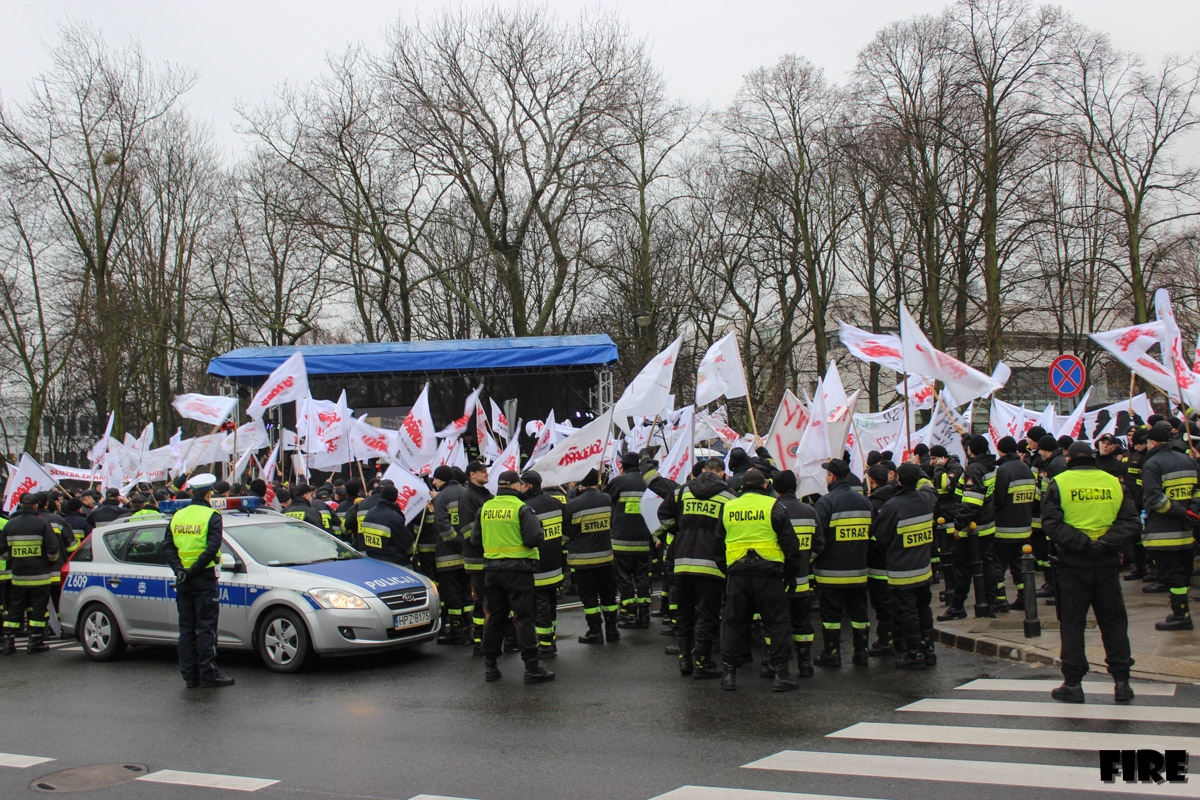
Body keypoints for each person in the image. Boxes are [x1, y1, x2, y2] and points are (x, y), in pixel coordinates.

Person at [1041, 441, 1141, 703]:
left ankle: (1073, 684)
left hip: (1074, 564)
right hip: (1107, 563)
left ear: (1068, 458)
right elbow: (1131, 522)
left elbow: (1052, 525)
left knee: (1073, 624)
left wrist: (1084, 545)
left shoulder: (1060, 483)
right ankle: (1122, 682)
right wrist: (1104, 545)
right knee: (1114, 622)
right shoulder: (1113, 483)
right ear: (1093, 458)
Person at [714, 468, 800, 692]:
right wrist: (790, 577)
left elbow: (717, 546)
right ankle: (781, 675)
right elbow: (791, 547)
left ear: (742, 487)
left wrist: (728, 571)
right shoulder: (774, 506)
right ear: (764, 486)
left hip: (738, 574)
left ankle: (728, 675)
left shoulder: (729, 507)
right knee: (777, 624)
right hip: (769, 575)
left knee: (733, 624)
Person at [468, 470, 551, 684]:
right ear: (516, 486)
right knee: (524, 618)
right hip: (519, 571)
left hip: (492, 572)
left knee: (494, 617)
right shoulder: (521, 508)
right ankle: (532, 669)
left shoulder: (485, 508)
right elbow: (534, 538)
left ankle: (490, 667)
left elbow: (475, 539)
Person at [656, 457, 735, 678]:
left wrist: (680, 532)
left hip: (682, 562)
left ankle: (684, 660)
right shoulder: (729, 496)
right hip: (712, 564)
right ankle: (702, 661)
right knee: (707, 615)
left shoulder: (683, 492)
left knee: (684, 614)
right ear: (723, 473)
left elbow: (663, 515)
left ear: (702, 471)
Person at [162, 474, 234, 688]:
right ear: (209, 493)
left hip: (183, 579)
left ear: (192, 492)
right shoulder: (212, 515)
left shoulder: (178, 515)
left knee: (186, 629)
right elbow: (212, 548)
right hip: (203, 578)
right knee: (206, 628)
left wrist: (180, 570)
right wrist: (193, 570)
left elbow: (167, 546)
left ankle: (189, 676)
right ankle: (208, 673)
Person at [871, 464, 938, 669]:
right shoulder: (926, 500)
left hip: (902, 570)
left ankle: (914, 652)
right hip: (923, 568)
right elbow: (931, 489)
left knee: (907, 612)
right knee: (923, 608)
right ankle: (928, 649)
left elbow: (880, 536)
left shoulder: (893, 506)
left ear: (898, 479)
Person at [812, 459, 873, 667]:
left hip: (831, 571)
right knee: (859, 612)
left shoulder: (826, 502)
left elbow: (818, 537)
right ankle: (861, 652)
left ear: (832, 477)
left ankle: (832, 652)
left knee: (831, 614)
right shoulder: (864, 501)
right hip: (858, 569)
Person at [1140, 424, 1200, 630]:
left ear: (1152, 443)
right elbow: (1198, 491)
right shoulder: (1189, 461)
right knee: (1183, 574)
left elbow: (1156, 499)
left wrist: (1181, 511)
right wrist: (1191, 511)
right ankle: (1181, 613)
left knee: (1173, 577)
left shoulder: (1152, 464)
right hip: (1187, 531)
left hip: (1163, 532)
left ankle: (1180, 614)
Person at [773, 469, 822, 678]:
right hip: (802, 581)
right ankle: (805, 664)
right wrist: (804, 560)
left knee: (776, 623)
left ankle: (774, 663)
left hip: (777, 581)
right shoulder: (810, 511)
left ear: (775, 489)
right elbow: (819, 544)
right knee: (802, 623)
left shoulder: (773, 510)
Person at [563, 469, 620, 644]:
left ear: (582, 485)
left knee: (589, 599)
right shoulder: (606, 499)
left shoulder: (572, 505)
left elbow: (566, 533)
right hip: (605, 558)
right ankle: (612, 631)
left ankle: (595, 632)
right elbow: (611, 523)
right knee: (609, 598)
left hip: (583, 560)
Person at [944, 436, 998, 618]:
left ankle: (957, 607)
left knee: (963, 568)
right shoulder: (989, 466)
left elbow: (971, 503)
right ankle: (989, 603)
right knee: (987, 565)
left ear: (971, 451)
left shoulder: (974, 469)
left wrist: (959, 525)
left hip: (973, 528)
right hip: (987, 524)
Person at [1, 493, 60, 655]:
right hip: (39, 575)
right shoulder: (42, 523)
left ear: (20, 505)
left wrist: (13, 560)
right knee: (38, 608)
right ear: (36, 506)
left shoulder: (10, 524)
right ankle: (35, 641)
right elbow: (53, 549)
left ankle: (8, 642)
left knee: (15, 607)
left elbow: (2, 549)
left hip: (18, 576)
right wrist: (49, 562)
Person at [519, 470, 566, 659]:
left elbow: (527, 538)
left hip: (538, 567)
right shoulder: (555, 502)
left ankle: (545, 646)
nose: (519, 488)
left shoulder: (526, 507)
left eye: (521, 485)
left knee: (540, 608)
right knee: (551, 604)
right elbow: (566, 529)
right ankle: (551, 640)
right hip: (555, 564)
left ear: (529, 486)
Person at [606, 452, 653, 628]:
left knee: (624, 579)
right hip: (643, 540)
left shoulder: (618, 482)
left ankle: (628, 614)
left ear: (623, 467)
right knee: (642, 578)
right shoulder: (647, 482)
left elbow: (606, 501)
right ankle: (644, 614)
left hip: (621, 542)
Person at [992, 436, 1035, 611]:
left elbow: (999, 500)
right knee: (1020, 567)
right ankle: (1025, 598)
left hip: (1005, 528)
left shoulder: (1003, 470)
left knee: (998, 566)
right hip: (1024, 527)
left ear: (1001, 450)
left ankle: (1000, 599)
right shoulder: (1026, 468)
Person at [458, 462, 493, 654]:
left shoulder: (485, 494)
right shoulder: (467, 497)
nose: (486, 473)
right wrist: (487, 539)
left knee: (491, 599)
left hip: (489, 556)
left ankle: (490, 636)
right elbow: (467, 530)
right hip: (477, 557)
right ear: (472, 475)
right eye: (482, 471)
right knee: (480, 601)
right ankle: (479, 639)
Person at [431, 465, 468, 645]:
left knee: (452, 595)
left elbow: (443, 527)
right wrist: (466, 545)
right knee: (467, 594)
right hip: (469, 555)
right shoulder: (467, 493)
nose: (434, 482)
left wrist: (456, 544)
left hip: (448, 558)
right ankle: (472, 628)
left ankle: (456, 630)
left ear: (442, 479)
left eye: (436, 479)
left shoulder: (441, 498)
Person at [864, 464, 897, 657]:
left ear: (872, 481)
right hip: (896, 562)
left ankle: (886, 639)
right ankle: (895, 637)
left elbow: (874, 537)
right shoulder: (894, 499)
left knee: (883, 604)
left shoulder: (874, 506)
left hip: (878, 563)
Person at [360, 486, 414, 567]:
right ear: (395, 498)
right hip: (394, 563)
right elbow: (407, 546)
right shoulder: (393, 517)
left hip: (373, 561)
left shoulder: (369, 513)